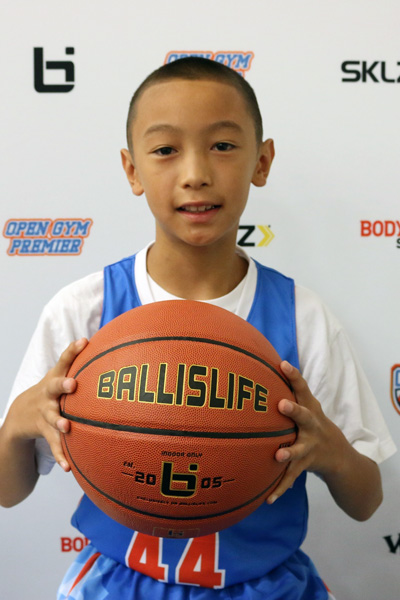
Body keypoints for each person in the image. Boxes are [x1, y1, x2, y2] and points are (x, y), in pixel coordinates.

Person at [0, 57, 396, 600]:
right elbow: (9, 492)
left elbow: (367, 502)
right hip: (119, 584)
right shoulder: (85, 312)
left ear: (262, 161)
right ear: (132, 170)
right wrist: (16, 426)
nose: (195, 173)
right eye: (165, 149)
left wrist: (330, 449)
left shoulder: (301, 318)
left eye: (223, 145)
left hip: (266, 587)